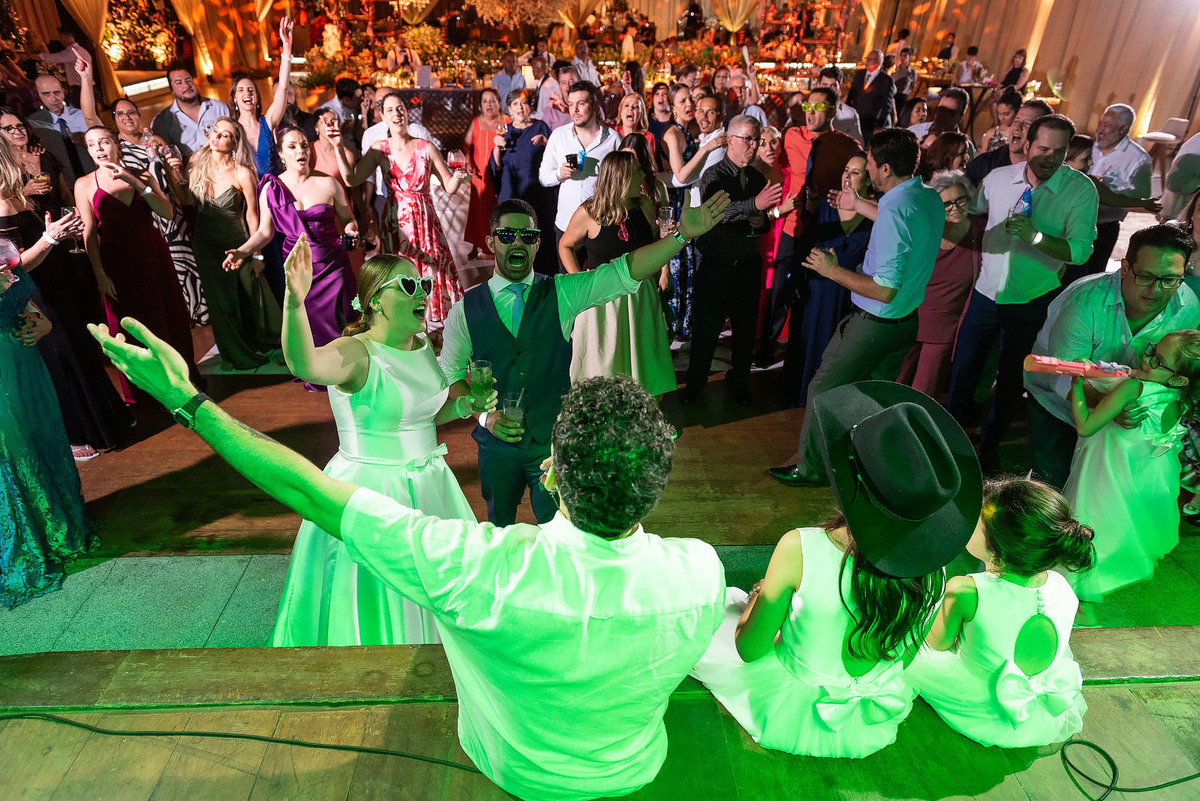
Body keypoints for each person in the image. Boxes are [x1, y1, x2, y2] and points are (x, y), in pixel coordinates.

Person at [89, 297, 730, 801]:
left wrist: (187, 399)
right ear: (654, 486)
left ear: (553, 469)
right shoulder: (701, 572)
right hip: (638, 770)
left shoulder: (477, 567)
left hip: (511, 772)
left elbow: (308, 490)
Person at [693, 380, 980, 758]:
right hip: (871, 718)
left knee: (722, 612)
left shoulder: (800, 547)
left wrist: (760, 598)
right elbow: (904, 658)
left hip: (788, 708)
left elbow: (750, 650)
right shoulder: (934, 573)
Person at [438, 194, 730, 525]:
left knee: (559, 532)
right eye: (507, 236)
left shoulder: (561, 293)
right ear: (491, 241)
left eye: (528, 236)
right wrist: (484, 418)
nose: (517, 243)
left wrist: (681, 236)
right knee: (498, 529)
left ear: (537, 245)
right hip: (496, 447)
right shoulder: (465, 310)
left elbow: (626, 270)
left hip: (550, 444)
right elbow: (450, 373)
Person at [271, 236, 486, 646]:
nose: (422, 292)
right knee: (377, 596)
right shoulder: (356, 353)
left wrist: (464, 407)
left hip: (430, 486)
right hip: (372, 489)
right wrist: (295, 303)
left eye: (422, 283)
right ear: (374, 301)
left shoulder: (422, 346)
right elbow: (304, 364)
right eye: (408, 286)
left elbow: (418, 414)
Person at [769, 129, 944, 487]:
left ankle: (812, 468)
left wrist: (833, 271)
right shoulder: (927, 197)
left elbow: (884, 290)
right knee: (869, 397)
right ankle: (856, 461)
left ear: (884, 169)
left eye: (872, 165)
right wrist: (858, 204)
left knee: (824, 389)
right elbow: (899, 217)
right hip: (906, 324)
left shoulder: (894, 213)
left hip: (874, 324)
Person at [947, 114, 1098, 473]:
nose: (1050, 157)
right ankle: (948, 436)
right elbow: (975, 214)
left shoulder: (1079, 190)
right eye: (1043, 148)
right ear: (1026, 145)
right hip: (986, 292)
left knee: (1013, 377)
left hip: (1032, 296)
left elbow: (1080, 252)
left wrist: (1036, 237)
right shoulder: (998, 180)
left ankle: (990, 444)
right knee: (964, 368)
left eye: (1059, 152)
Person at [907, 477, 1094, 748]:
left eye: (976, 523)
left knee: (906, 645)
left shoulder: (966, 590)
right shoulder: (1062, 587)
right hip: (1043, 713)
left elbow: (935, 645)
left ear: (996, 545)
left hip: (983, 707)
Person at [1025, 224, 1200, 490]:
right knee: (1053, 490)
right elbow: (1064, 377)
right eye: (1145, 276)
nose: (1156, 290)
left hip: (1127, 425)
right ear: (1125, 267)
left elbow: (1180, 373)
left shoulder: (1188, 309)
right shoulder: (1084, 301)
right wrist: (1113, 406)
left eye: (1170, 279)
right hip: (1059, 409)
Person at [0, 143, 127, 459]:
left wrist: (63, 234)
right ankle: (73, 436)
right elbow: (10, 267)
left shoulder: (17, 196)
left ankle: (105, 424)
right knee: (58, 359)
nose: (24, 155)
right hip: (31, 291)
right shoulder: (1, 205)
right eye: (13, 151)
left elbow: (37, 243)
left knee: (78, 350)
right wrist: (50, 238)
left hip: (54, 280)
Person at [1065, 329, 1200, 624]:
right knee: (1116, 531)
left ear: (1179, 378)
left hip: (1108, 473)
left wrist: (1076, 384)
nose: (1147, 358)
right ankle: (1083, 601)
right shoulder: (1181, 398)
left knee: (1089, 526)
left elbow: (1086, 427)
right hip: (1147, 479)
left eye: (1158, 359)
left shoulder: (1133, 388)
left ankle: (1080, 604)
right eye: (1152, 350)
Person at [1, 231, 98, 608]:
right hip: (3, 375)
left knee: (43, 439)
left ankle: (57, 526)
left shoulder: (2, 245)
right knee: (14, 452)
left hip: (27, 365)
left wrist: (42, 322)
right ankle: (28, 541)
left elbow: (20, 291)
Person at [77, 58, 207, 326]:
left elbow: (174, 181)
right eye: (120, 114)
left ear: (139, 115)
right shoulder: (113, 148)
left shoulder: (155, 141)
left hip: (163, 208)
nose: (127, 117)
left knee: (185, 268)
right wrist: (86, 79)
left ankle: (195, 315)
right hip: (141, 220)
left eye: (132, 112)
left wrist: (175, 170)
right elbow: (90, 118)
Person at [76, 126, 200, 390]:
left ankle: (182, 382)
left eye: (104, 142)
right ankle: (145, 391)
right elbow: (89, 234)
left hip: (153, 255)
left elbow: (166, 212)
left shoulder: (141, 174)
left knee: (166, 316)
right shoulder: (84, 184)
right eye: (91, 144)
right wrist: (99, 274)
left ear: (116, 145)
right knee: (129, 323)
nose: (98, 148)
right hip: (116, 262)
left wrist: (136, 183)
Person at [333, 95, 468, 324]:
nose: (396, 113)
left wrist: (458, 175)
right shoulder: (379, 150)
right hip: (395, 224)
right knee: (400, 272)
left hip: (425, 222)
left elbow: (450, 187)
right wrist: (338, 147)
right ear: (383, 116)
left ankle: (434, 328)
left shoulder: (426, 147)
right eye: (390, 110)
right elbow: (352, 178)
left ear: (407, 113)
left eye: (400, 108)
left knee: (431, 272)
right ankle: (404, 324)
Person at [225, 127, 357, 352]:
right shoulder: (271, 188)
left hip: (333, 265)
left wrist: (351, 232)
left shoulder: (329, 183)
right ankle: (317, 371)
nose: (300, 151)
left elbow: (349, 220)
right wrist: (242, 251)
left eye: (304, 145)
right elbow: (265, 233)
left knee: (343, 324)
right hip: (298, 269)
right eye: (292, 147)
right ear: (281, 154)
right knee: (310, 326)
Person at [559, 150, 675, 398]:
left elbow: (654, 244)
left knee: (644, 361)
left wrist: (667, 244)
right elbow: (565, 245)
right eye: (637, 172)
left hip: (641, 296)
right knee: (604, 363)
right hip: (603, 300)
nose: (643, 175)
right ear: (621, 179)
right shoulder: (589, 212)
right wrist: (580, 281)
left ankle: (647, 418)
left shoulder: (644, 205)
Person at [683, 115, 781, 405]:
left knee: (745, 332)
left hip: (747, 265)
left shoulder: (757, 178)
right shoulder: (714, 175)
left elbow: (763, 224)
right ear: (730, 140)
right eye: (748, 139)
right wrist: (753, 206)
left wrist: (759, 218)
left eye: (757, 140)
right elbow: (715, 213)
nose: (754, 146)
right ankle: (695, 385)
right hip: (717, 264)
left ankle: (738, 382)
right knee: (706, 331)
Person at [183, 117, 282, 371]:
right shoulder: (195, 164)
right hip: (204, 245)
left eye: (225, 135)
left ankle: (255, 341)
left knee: (244, 297)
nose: (217, 137)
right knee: (219, 303)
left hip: (235, 244)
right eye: (216, 131)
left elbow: (252, 215)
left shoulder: (242, 173)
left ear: (234, 143)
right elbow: (185, 201)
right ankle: (233, 352)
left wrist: (256, 254)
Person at [776, 153, 874, 405]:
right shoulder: (828, 206)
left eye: (855, 172)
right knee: (811, 345)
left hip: (852, 292)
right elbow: (805, 245)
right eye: (845, 170)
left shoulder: (876, 213)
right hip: (819, 291)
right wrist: (794, 282)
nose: (847, 176)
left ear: (869, 179)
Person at [897, 170, 984, 397]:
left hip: (945, 327)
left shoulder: (981, 230)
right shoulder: (923, 230)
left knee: (923, 393)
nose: (955, 207)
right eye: (946, 204)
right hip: (909, 319)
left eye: (960, 200)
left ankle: (913, 433)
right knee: (895, 384)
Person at [658, 84, 723, 338]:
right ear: (672, 107)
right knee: (675, 266)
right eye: (683, 100)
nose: (689, 105)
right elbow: (682, 174)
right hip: (673, 205)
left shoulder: (692, 130)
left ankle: (685, 326)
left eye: (691, 100)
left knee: (688, 267)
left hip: (686, 203)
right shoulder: (673, 134)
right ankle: (672, 327)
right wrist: (706, 148)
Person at [1071, 104, 1157, 285]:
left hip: (1104, 226)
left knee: (1090, 277)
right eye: (1100, 123)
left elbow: (1141, 195)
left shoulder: (1138, 158)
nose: (1100, 129)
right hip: (1072, 221)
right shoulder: (1087, 146)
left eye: (1107, 125)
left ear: (1123, 129)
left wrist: (1107, 191)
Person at [539, 80, 620, 265]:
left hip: (601, 223)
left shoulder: (613, 139)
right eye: (571, 104)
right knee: (569, 284)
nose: (574, 109)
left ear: (594, 106)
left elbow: (621, 180)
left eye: (581, 104)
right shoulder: (559, 136)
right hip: (567, 223)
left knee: (600, 284)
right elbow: (543, 176)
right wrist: (559, 174)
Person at [490, 89, 555, 276]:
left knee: (538, 237)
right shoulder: (505, 132)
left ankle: (542, 280)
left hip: (537, 194)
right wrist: (496, 148)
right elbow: (496, 168)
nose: (520, 107)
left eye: (524, 103)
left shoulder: (540, 127)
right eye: (515, 104)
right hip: (511, 192)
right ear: (509, 109)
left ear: (530, 107)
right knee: (510, 236)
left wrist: (546, 143)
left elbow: (556, 157)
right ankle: (511, 276)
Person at [229, 17, 294, 178]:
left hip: (276, 193)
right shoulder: (232, 130)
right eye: (241, 90)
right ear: (235, 98)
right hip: (249, 196)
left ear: (257, 97)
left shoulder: (268, 122)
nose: (247, 93)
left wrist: (287, 48)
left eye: (251, 90)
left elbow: (283, 88)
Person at [965, 98, 1053, 186]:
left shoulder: (1051, 171)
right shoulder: (983, 165)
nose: (1017, 127)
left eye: (1027, 123)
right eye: (1016, 121)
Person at [151, 66, 232, 158]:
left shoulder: (220, 108)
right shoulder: (162, 121)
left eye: (188, 80)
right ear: (171, 89)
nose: (186, 85)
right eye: (179, 83)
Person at [463, 88, 505, 260]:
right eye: (485, 101)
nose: (489, 104)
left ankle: (501, 245)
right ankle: (476, 244)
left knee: (498, 208)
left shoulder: (506, 121)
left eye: (492, 100)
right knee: (477, 209)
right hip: (480, 171)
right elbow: (466, 145)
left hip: (500, 171)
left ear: (499, 103)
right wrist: (467, 162)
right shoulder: (476, 122)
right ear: (480, 105)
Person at [27, 74, 92, 182]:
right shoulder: (33, 124)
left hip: (93, 177)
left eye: (57, 92)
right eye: (46, 94)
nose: (54, 99)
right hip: (62, 184)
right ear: (37, 95)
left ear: (63, 91)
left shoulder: (82, 115)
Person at [846, 50, 895, 142]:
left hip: (870, 121)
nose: (867, 62)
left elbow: (887, 105)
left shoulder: (886, 80)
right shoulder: (859, 74)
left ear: (878, 62)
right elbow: (851, 95)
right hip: (854, 118)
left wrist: (880, 125)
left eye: (871, 59)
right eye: (867, 59)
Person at [816, 67, 864, 144]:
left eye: (833, 86)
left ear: (840, 87)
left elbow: (858, 145)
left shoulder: (850, 114)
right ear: (818, 86)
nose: (829, 89)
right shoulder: (807, 109)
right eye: (825, 85)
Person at [536, 64, 576, 131]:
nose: (568, 86)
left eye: (571, 82)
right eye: (563, 82)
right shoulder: (551, 108)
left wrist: (566, 112)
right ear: (559, 85)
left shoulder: (589, 105)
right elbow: (543, 133)